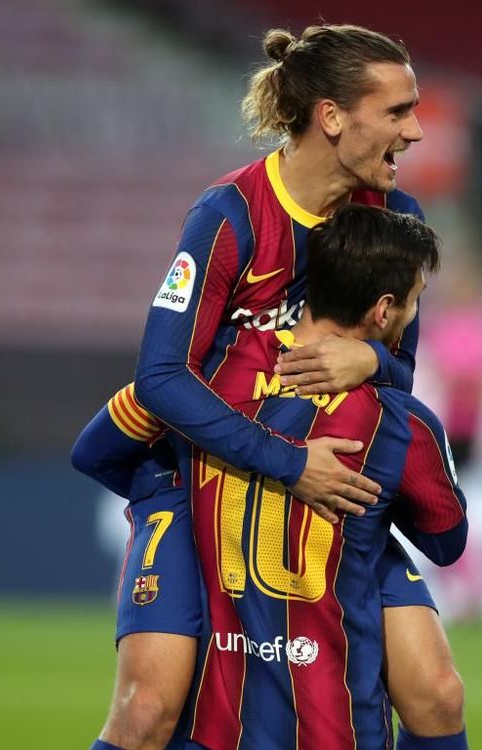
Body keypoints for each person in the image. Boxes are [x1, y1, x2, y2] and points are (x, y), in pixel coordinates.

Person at [72, 24, 465, 750]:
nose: (415, 131)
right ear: (333, 117)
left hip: (330, 496)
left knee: (437, 695)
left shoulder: (398, 220)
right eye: (398, 111)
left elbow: (399, 377)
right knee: (148, 710)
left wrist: (373, 365)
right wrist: (289, 464)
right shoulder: (231, 217)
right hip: (202, 486)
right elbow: (161, 377)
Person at [176, 204, 466, 749]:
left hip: (216, 705)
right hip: (336, 722)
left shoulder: (210, 375)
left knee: (438, 692)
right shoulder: (400, 423)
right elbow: (447, 541)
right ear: (384, 311)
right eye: (415, 301)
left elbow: (99, 447)